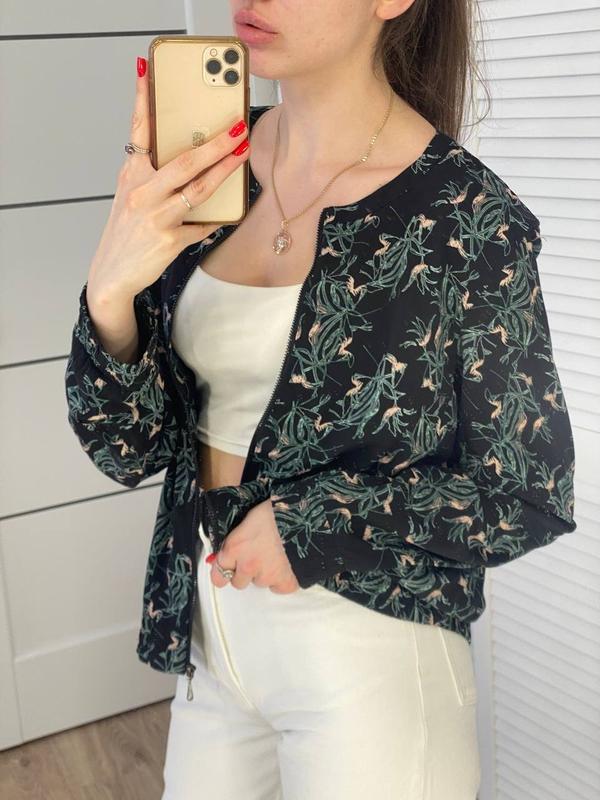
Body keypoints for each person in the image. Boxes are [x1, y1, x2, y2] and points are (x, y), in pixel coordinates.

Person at [64, 1, 576, 798]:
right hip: (210, 638)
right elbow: (127, 448)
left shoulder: (467, 219)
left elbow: (528, 493)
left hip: (371, 658)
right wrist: (110, 292)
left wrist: (313, 524)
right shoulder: (206, 169)